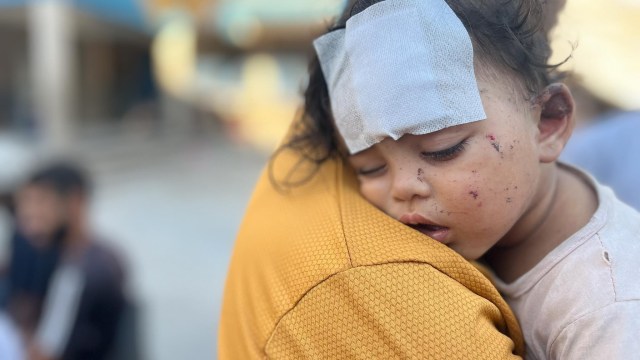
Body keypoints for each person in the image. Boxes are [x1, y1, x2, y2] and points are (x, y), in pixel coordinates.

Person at [221, 0, 640, 358]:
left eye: (442, 149)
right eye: (369, 167)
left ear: (547, 122)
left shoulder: (609, 308)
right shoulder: (493, 220)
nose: (403, 188)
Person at [6, 162, 127, 360]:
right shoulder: (93, 255)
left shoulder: (78, 271)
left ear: (75, 202)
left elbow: (45, 354)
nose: (30, 215)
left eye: (41, 202)